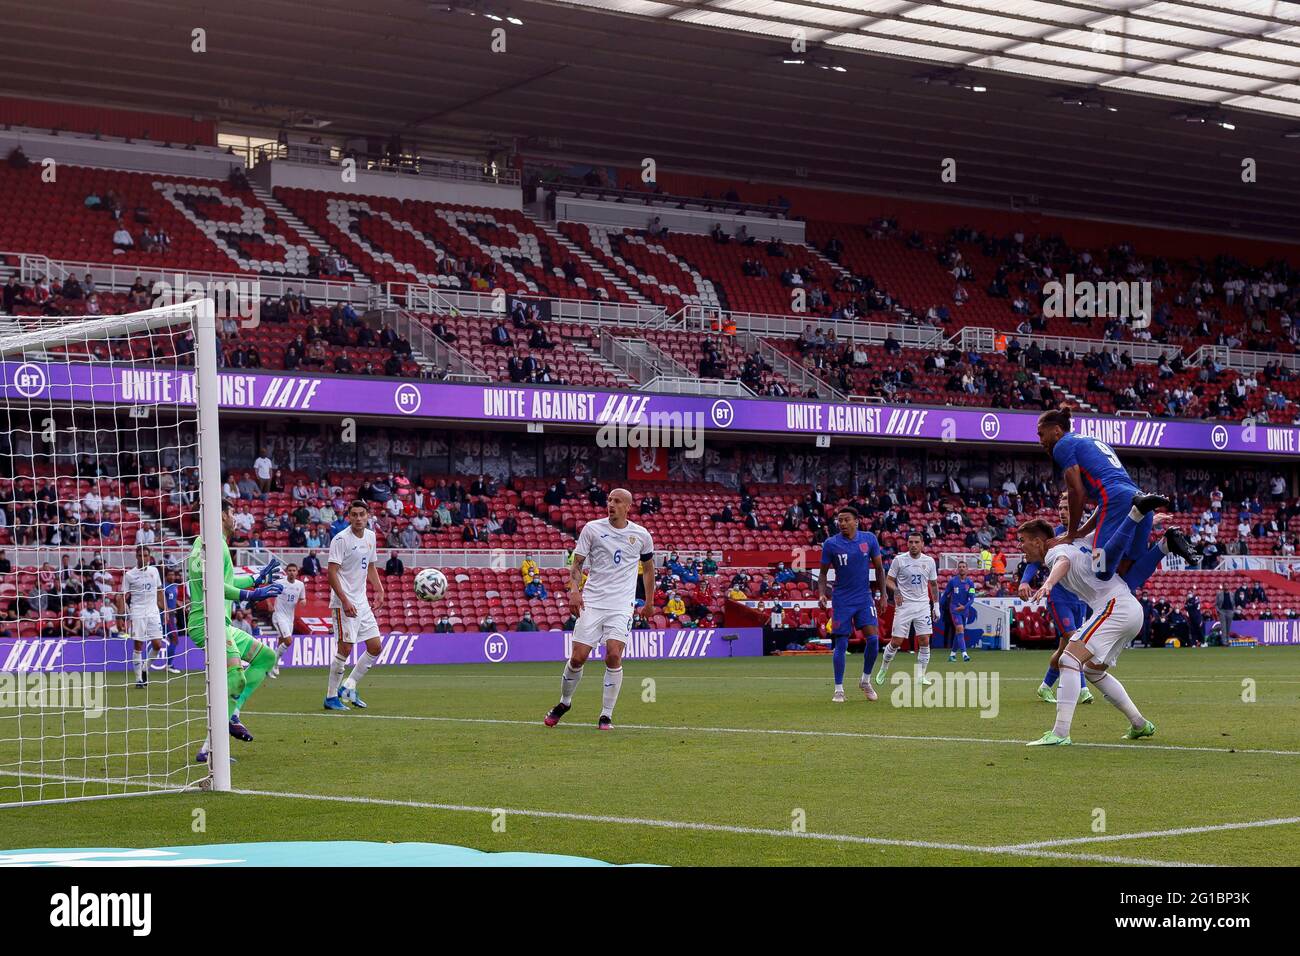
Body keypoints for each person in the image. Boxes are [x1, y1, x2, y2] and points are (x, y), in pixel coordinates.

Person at [1019, 517, 1158, 746]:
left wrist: (1049, 584)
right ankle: (1140, 724)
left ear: (1037, 541)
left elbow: (1063, 562)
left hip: (1115, 608)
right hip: (1128, 609)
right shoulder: (1079, 541)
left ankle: (1060, 733)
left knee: (1069, 659)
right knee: (1092, 671)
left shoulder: (1055, 552)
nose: (1019, 546)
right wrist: (1145, 520)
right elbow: (1106, 527)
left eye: (1022, 540)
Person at [1037, 405, 1197, 584]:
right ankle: (1165, 546)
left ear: (1057, 430)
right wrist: (1081, 531)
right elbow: (1105, 499)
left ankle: (1136, 515)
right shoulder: (1091, 440)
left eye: (1041, 434)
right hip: (1134, 495)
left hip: (1118, 501)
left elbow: (1077, 492)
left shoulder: (1062, 445)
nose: (1040, 440)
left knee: (1100, 569)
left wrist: (1070, 534)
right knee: (1125, 572)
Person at [544, 489, 654, 731]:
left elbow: (648, 569)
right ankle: (564, 703)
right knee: (577, 657)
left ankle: (606, 715)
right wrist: (574, 590)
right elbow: (578, 564)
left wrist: (649, 602)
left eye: (617, 501)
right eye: (609, 500)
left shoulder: (642, 535)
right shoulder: (592, 529)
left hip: (621, 605)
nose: (611, 504)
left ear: (628, 506)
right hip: (592, 602)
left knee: (614, 654)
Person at [187, 501, 283, 762]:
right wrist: (252, 594)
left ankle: (232, 714)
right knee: (236, 679)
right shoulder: (214, 545)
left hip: (220, 622)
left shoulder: (205, 543)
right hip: (208, 622)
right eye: (231, 513)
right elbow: (215, 587)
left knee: (266, 658)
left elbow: (224, 581)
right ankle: (212, 748)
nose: (235, 518)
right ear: (220, 515)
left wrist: (255, 579)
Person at [1018, 494, 1095, 705]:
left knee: (1064, 650)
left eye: (1067, 508)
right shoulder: (1055, 536)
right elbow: (1034, 561)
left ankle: (1045, 686)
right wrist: (1025, 581)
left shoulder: (1088, 534)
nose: (1062, 512)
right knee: (1074, 640)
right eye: (1060, 508)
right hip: (1058, 597)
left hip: (1079, 598)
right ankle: (1082, 689)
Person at [817, 507, 886, 703]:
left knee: (873, 640)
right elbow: (822, 574)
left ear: (857, 521)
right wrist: (822, 594)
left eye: (847, 520)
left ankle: (865, 680)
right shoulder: (831, 544)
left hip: (864, 598)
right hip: (842, 600)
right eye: (840, 520)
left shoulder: (869, 539)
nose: (842, 523)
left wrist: (882, 595)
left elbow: (880, 569)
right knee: (841, 643)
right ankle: (838, 689)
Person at [323, 501, 387, 711]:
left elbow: (370, 566)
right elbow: (331, 573)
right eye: (354, 515)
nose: (358, 518)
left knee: (375, 646)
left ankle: (349, 686)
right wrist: (345, 600)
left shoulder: (370, 536)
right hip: (344, 602)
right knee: (345, 648)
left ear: (368, 516)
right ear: (348, 517)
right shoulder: (341, 540)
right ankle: (331, 697)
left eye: (362, 514)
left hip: (361, 601)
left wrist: (378, 589)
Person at [874, 532, 940, 686]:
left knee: (924, 640)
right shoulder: (899, 560)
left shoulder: (929, 561)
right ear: (907, 543)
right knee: (896, 641)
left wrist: (936, 606)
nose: (913, 545)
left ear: (922, 543)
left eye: (917, 542)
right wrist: (896, 591)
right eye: (911, 542)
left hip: (923, 605)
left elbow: (934, 585)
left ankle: (921, 675)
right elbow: (889, 580)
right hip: (904, 606)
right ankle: (883, 668)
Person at [117, 546, 165, 688]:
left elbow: (160, 590)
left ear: (149, 557)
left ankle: (145, 668)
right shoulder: (129, 575)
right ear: (136, 557)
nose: (143, 558)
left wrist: (165, 610)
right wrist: (120, 616)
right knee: (138, 645)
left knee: (157, 644)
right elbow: (122, 596)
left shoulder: (154, 571)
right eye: (140, 555)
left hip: (153, 612)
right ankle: (138, 679)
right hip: (137, 612)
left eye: (145, 555)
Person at [269, 564, 306, 678]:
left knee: (281, 641)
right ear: (286, 572)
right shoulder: (280, 583)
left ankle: (273, 666)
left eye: (294, 570)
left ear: (297, 572)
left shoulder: (300, 585)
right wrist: (269, 604)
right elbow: (267, 591)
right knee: (289, 641)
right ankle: (272, 664)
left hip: (290, 618)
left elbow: (302, 597)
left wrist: (303, 601)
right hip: (279, 616)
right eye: (289, 570)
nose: (291, 572)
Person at [941, 561, 978, 664]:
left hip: (964, 610)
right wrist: (937, 607)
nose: (962, 568)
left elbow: (972, 599)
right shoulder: (952, 581)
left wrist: (965, 607)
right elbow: (945, 595)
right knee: (960, 629)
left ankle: (952, 655)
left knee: (959, 633)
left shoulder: (970, 583)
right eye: (960, 567)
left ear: (967, 569)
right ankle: (964, 654)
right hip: (955, 609)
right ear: (958, 569)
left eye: (963, 567)